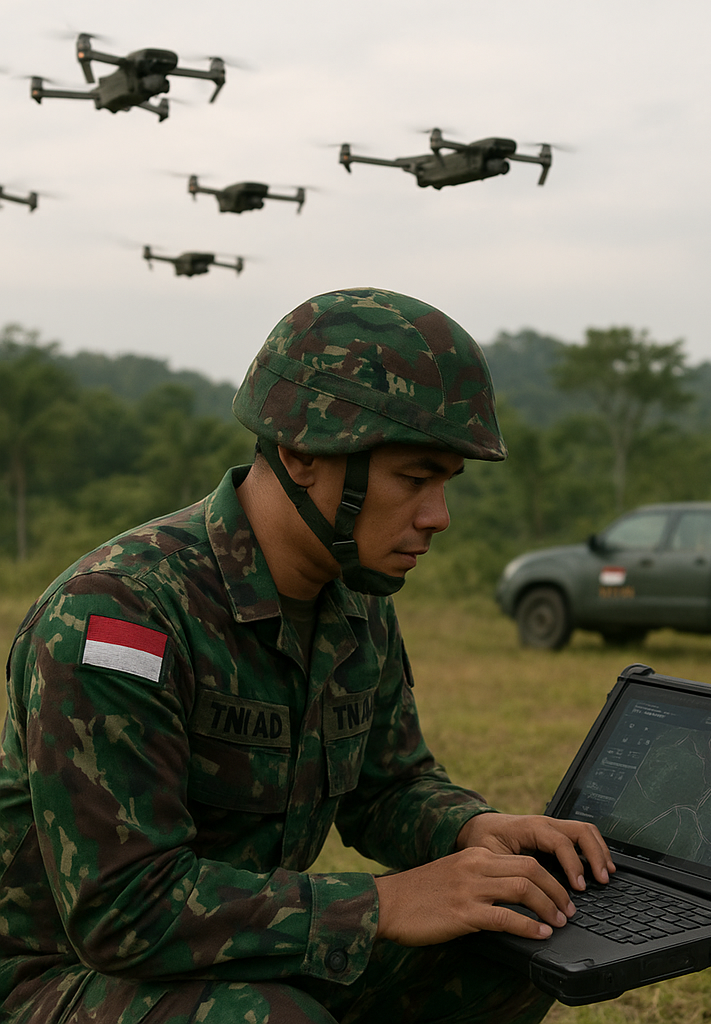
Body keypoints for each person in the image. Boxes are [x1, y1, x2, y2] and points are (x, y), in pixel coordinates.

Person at [0, 288, 614, 1023]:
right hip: (57, 976)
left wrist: (472, 832)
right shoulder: (119, 614)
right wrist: (383, 902)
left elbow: (386, 787)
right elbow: (123, 911)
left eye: (447, 484)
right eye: (414, 479)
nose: (438, 517)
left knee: (510, 941)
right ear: (302, 452)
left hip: (230, 954)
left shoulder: (353, 601)